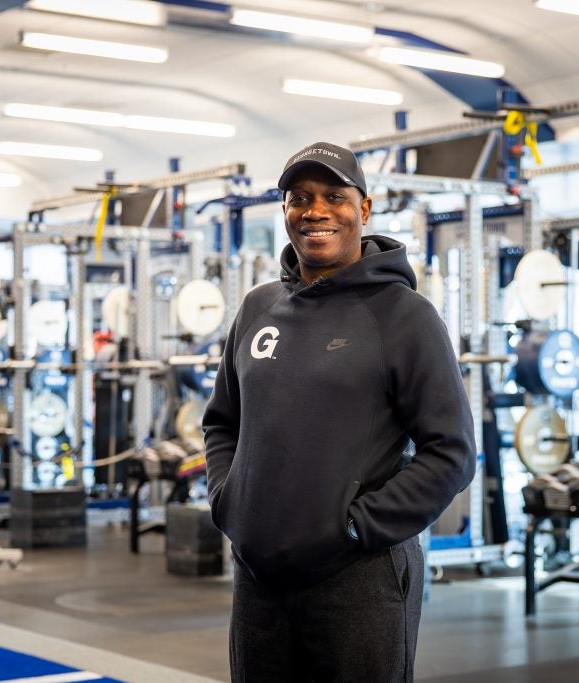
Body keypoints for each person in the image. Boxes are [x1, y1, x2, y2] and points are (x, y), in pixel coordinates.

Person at [202, 141, 476, 682]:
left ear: (364, 209)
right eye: (299, 198)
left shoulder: (405, 316)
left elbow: (451, 452)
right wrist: (227, 503)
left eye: (334, 196)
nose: (316, 211)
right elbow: (221, 421)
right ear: (285, 212)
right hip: (258, 578)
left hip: (358, 577)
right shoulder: (259, 308)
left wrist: (356, 528)